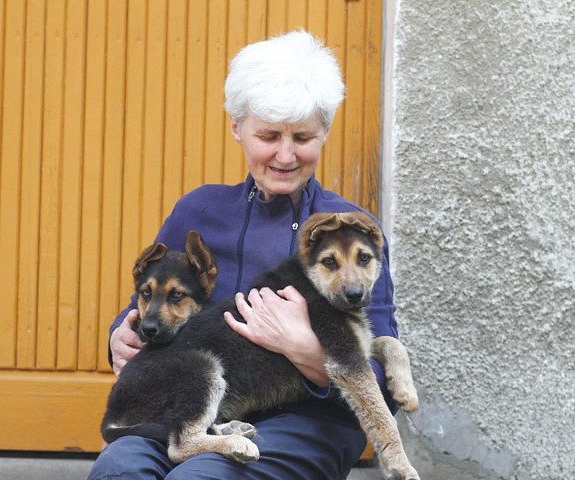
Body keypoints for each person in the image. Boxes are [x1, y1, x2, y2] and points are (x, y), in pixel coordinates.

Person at [88, 30, 398, 480]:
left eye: (303, 136)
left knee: (201, 478)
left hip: (308, 422)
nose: (286, 155)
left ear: (325, 132)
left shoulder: (350, 233)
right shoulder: (200, 211)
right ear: (237, 128)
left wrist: (308, 352)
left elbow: (382, 379)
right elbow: (152, 301)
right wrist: (122, 334)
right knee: (119, 470)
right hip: (195, 406)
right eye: (269, 135)